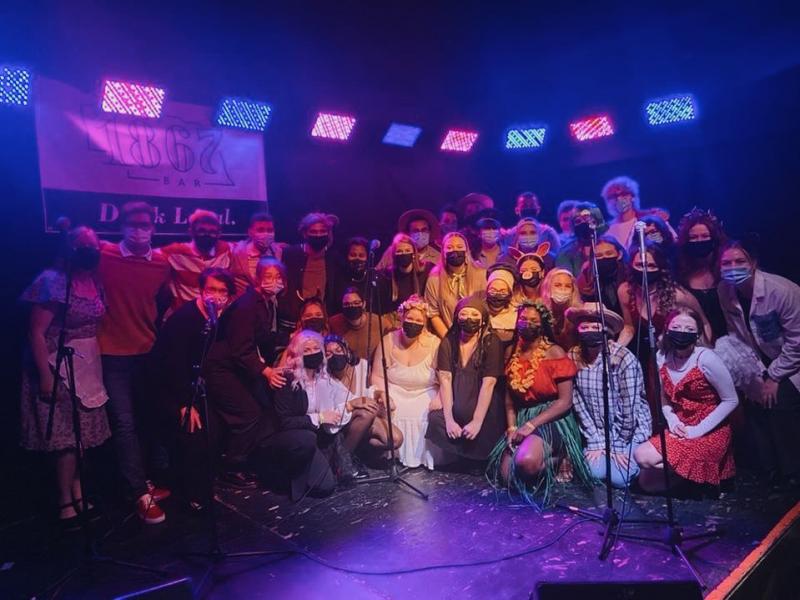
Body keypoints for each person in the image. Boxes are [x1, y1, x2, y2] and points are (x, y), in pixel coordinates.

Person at [20, 226, 112, 525]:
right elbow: (35, 331)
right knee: (66, 439)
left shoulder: (94, 282)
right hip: (54, 364)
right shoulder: (53, 282)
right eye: (81, 244)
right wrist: (45, 377)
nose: (88, 249)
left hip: (86, 365)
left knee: (82, 436)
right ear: (68, 248)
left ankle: (78, 491)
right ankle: (64, 502)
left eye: (93, 244)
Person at [97, 201, 171, 523]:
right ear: (121, 226)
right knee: (124, 424)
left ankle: (144, 480)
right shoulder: (104, 255)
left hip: (147, 351)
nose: (138, 230)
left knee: (146, 420)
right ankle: (139, 492)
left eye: (145, 224)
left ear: (153, 227)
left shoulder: (162, 262)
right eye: (132, 223)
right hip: (112, 353)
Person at [486, 300, 592, 508]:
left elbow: (565, 402)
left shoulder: (555, 353)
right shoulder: (511, 353)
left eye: (533, 320)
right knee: (507, 477)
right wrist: (512, 427)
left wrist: (532, 425)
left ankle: (560, 455)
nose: (527, 323)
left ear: (542, 324)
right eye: (523, 319)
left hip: (553, 417)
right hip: (524, 416)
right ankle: (540, 453)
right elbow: (509, 400)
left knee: (526, 463)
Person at [149, 267, 236, 510]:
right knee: (194, 433)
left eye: (222, 291)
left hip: (192, 385)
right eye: (211, 289)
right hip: (167, 388)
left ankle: (203, 487)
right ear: (201, 290)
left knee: (214, 431)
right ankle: (191, 495)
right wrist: (184, 404)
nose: (216, 296)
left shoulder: (216, 317)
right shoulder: (185, 319)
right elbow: (173, 366)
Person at [717, 241, 800, 487]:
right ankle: (769, 468)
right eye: (726, 263)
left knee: (780, 400)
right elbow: (737, 334)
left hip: (791, 359)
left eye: (739, 262)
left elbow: (797, 341)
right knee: (753, 405)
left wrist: (774, 377)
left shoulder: (782, 291)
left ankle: (792, 471)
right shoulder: (725, 291)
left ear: (753, 264)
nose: (733, 268)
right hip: (760, 361)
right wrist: (753, 378)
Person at [634, 308, 738, 494]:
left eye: (689, 329)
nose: (682, 332)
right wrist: (673, 422)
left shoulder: (706, 359)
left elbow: (731, 400)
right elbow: (664, 398)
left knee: (642, 455)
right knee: (647, 483)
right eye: (676, 326)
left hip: (710, 429)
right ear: (666, 330)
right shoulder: (661, 358)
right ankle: (695, 479)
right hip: (681, 426)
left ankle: (701, 475)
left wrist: (696, 431)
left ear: (697, 334)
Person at [207, 263, 284, 488]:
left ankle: (245, 461)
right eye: (267, 276)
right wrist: (266, 371)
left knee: (260, 407)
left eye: (278, 276)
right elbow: (241, 348)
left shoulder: (267, 303)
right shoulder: (247, 305)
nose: (273, 281)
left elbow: (260, 336)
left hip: (237, 367)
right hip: (221, 369)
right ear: (257, 278)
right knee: (248, 413)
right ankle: (231, 467)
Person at [618, 241, 711, 420]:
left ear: (661, 268)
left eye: (651, 265)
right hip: (644, 355)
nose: (645, 270)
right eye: (640, 265)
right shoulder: (625, 291)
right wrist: (616, 349)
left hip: (674, 355)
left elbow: (704, 323)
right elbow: (629, 327)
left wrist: (702, 355)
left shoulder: (677, 295)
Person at [566, 303, 652, 488]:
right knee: (594, 473)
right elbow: (577, 400)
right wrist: (595, 440)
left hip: (627, 430)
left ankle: (638, 459)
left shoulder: (623, 359)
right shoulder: (573, 356)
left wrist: (619, 444)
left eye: (595, 327)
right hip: (596, 430)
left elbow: (629, 408)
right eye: (585, 327)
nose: (590, 331)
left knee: (618, 479)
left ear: (607, 329)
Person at [426, 295, 506, 466]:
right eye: (464, 314)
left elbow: (489, 382)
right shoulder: (449, 341)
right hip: (456, 402)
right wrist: (449, 420)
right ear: (457, 317)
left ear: (483, 320)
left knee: (485, 427)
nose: (469, 319)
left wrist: (477, 421)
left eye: (475, 315)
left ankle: (477, 459)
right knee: (435, 419)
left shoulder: (492, 342)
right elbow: (445, 379)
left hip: (482, 405)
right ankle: (461, 456)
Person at [371, 295, 440, 469]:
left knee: (425, 412)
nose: (413, 323)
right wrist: (384, 395)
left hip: (424, 391)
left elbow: (444, 379)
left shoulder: (435, 344)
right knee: (389, 410)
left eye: (418, 320)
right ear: (402, 317)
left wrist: (439, 399)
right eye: (409, 318)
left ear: (424, 323)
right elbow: (377, 375)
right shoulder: (388, 340)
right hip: (395, 391)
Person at [324, 335, 404, 463]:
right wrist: (351, 404)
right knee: (367, 412)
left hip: (365, 421)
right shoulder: (323, 379)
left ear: (347, 351)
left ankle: (357, 452)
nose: (334, 355)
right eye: (328, 354)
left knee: (395, 439)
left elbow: (368, 391)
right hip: (339, 427)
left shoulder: (362, 365)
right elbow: (327, 421)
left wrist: (380, 394)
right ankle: (342, 460)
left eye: (338, 350)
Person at [278, 212, 342, 333]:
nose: (318, 235)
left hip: (322, 321)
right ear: (304, 233)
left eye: (322, 231)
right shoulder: (291, 254)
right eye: (313, 232)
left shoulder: (333, 258)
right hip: (294, 321)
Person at [161, 209, 231, 312]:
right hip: (182, 316)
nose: (207, 235)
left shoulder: (225, 250)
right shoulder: (175, 252)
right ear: (191, 232)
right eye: (202, 230)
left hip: (215, 318)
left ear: (219, 234)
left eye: (212, 232)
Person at [676, 208, 728, 340]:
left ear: (714, 238)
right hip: (697, 341)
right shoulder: (678, 272)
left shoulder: (727, 266)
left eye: (705, 236)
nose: (699, 241)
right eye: (693, 237)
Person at [424, 231, 487, 338]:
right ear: (443, 253)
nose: (455, 250)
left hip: (477, 335)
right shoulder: (435, 279)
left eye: (459, 246)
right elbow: (433, 313)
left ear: (466, 251)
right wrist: (448, 339)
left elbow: (485, 308)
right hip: (448, 335)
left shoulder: (481, 274)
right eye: (449, 247)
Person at [601, 176, 674, 250]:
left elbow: (671, 241)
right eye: (613, 196)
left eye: (624, 194)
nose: (619, 199)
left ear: (633, 196)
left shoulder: (651, 220)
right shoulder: (605, 230)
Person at [328, 286, 391, 362]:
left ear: (364, 304)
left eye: (356, 303)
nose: (352, 306)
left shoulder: (381, 323)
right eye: (347, 304)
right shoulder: (334, 323)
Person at [230, 212, 287, 296]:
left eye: (270, 230)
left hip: (271, 304)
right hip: (243, 304)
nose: (266, 234)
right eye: (260, 230)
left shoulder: (280, 252)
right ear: (250, 232)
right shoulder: (235, 251)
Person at [382, 233, 432, 322]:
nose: (403, 254)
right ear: (394, 255)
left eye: (407, 250)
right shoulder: (387, 275)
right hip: (396, 323)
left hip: (421, 320)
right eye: (399, 251)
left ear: (414, 253)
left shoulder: (427, 269)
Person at [575, 234, 627, 316]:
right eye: (599, 255)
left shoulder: (628, 274)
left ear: (619, 254)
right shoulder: (586, 277)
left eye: (609, 254)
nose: (604, 258)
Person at [555, 202, 608, 277]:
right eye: (578, 221)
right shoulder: (566, 252)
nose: (584, 224)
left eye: (587, 219)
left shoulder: (611, 245)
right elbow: (566, 280)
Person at [540, 268, 581, 351]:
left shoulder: (578, 314)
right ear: (548, 287)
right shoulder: (539, 311)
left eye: (568, 286)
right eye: (558, 285)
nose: (563, 289)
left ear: (573, 290)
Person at [483, 265, 518, 349]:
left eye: (503, 291)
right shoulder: (478, 310)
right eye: (493, 290)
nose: (497, 295)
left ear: (510, 293)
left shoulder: (518, 314)